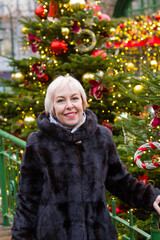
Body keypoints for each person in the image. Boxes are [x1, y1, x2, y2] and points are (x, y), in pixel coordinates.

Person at [11, 75, 160, 240]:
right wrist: (21, 236)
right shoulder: (38, 142)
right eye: (61, 101)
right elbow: (27, 198)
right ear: (51, 106)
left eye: (74, 98)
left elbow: (119, 180)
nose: (70, 106)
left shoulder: (102, 137)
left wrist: (150, 197)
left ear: (83, 101)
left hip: (97, 233)